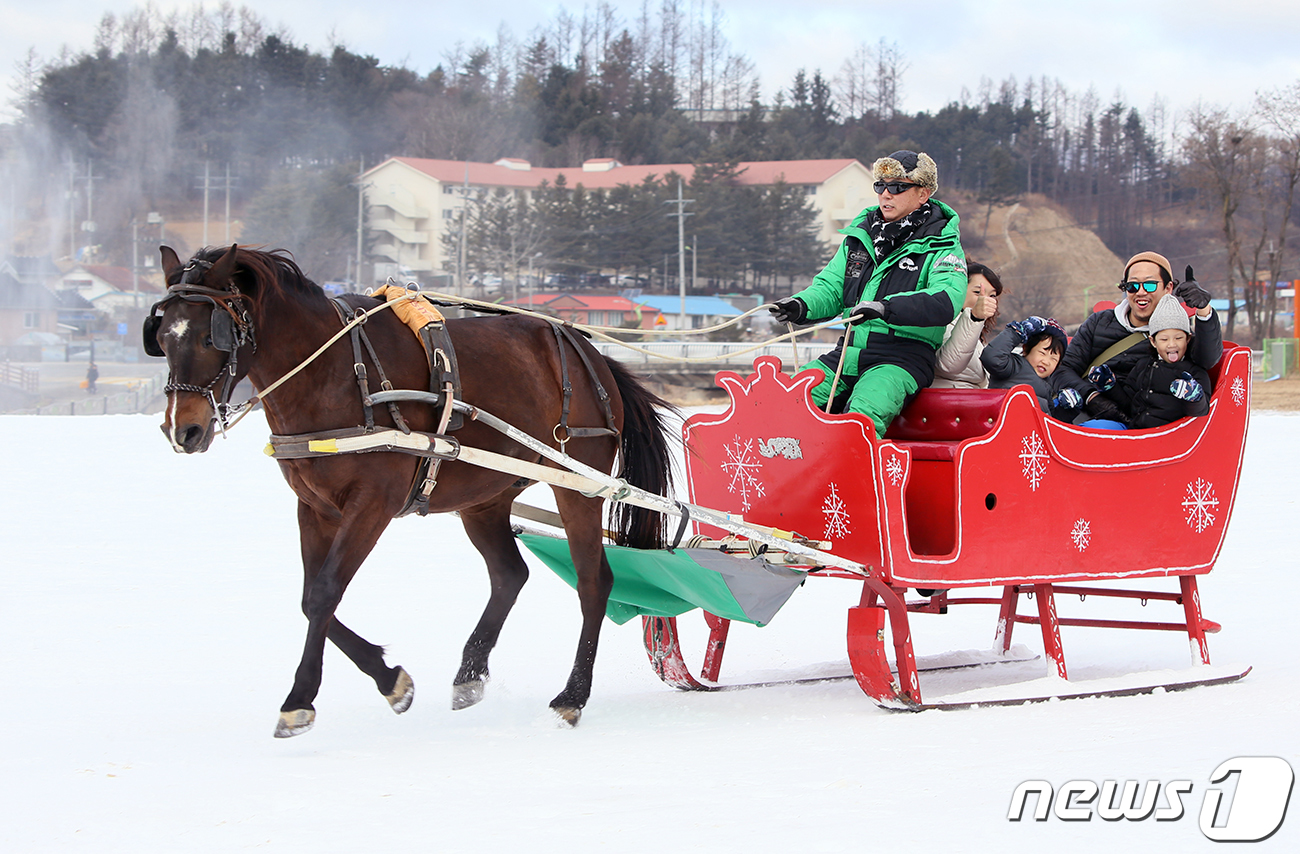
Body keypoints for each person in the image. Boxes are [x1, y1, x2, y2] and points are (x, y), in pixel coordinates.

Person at [768, 150, 967, 437]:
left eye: (897, 187)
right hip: (848, 353)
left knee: (861, 415)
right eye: (880, 186)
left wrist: (887, 308)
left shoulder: (943, 244)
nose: (886, 194)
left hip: (901, 359)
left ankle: (851, 464)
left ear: (923, 193)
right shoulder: (860, 237)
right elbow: (831, 288)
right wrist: (801, 305)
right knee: (785, 401)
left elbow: (946, 299)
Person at [1055, 251, 1220, 424]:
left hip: (1124, 419)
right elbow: (1064, 369)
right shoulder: (1099, 322)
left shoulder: (1174, 337)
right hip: (1078, 403)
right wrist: (1091, 397)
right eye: (1132, 286)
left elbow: (1207, 358)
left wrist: (1204, 309)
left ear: (1168, 288)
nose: (1140, 292)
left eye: (1150, 285)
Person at [1087, 295, 1212, 429]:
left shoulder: (1194, 372)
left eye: (1178, 338)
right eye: (1164, 339)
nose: (1172, 344)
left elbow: (1201, 411)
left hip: (1170, 434)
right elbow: (1128, 403)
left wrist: (1194, 398)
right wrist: (1110, 386)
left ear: (1187, 339)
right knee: (1093, 427)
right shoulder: (1143, 366)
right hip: (1136, 429)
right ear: (1153, 341)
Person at [980, 316, 1078, 418]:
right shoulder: (1013, 366)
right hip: (1004, 422)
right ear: (1026, 349)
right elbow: (992, 357)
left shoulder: (1048, 387)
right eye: (1042, 353)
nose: (1046, 362)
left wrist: (1067, 410)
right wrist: (1016, 332)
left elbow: (1049, 420)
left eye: (1054, 359)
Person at [932, 262, 1002, 388]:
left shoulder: (976, 332)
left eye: (992, 295)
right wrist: (975, 317)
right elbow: (949, 365)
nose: (985, 299)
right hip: (947, 397)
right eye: (978, 292)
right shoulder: (941, 323)